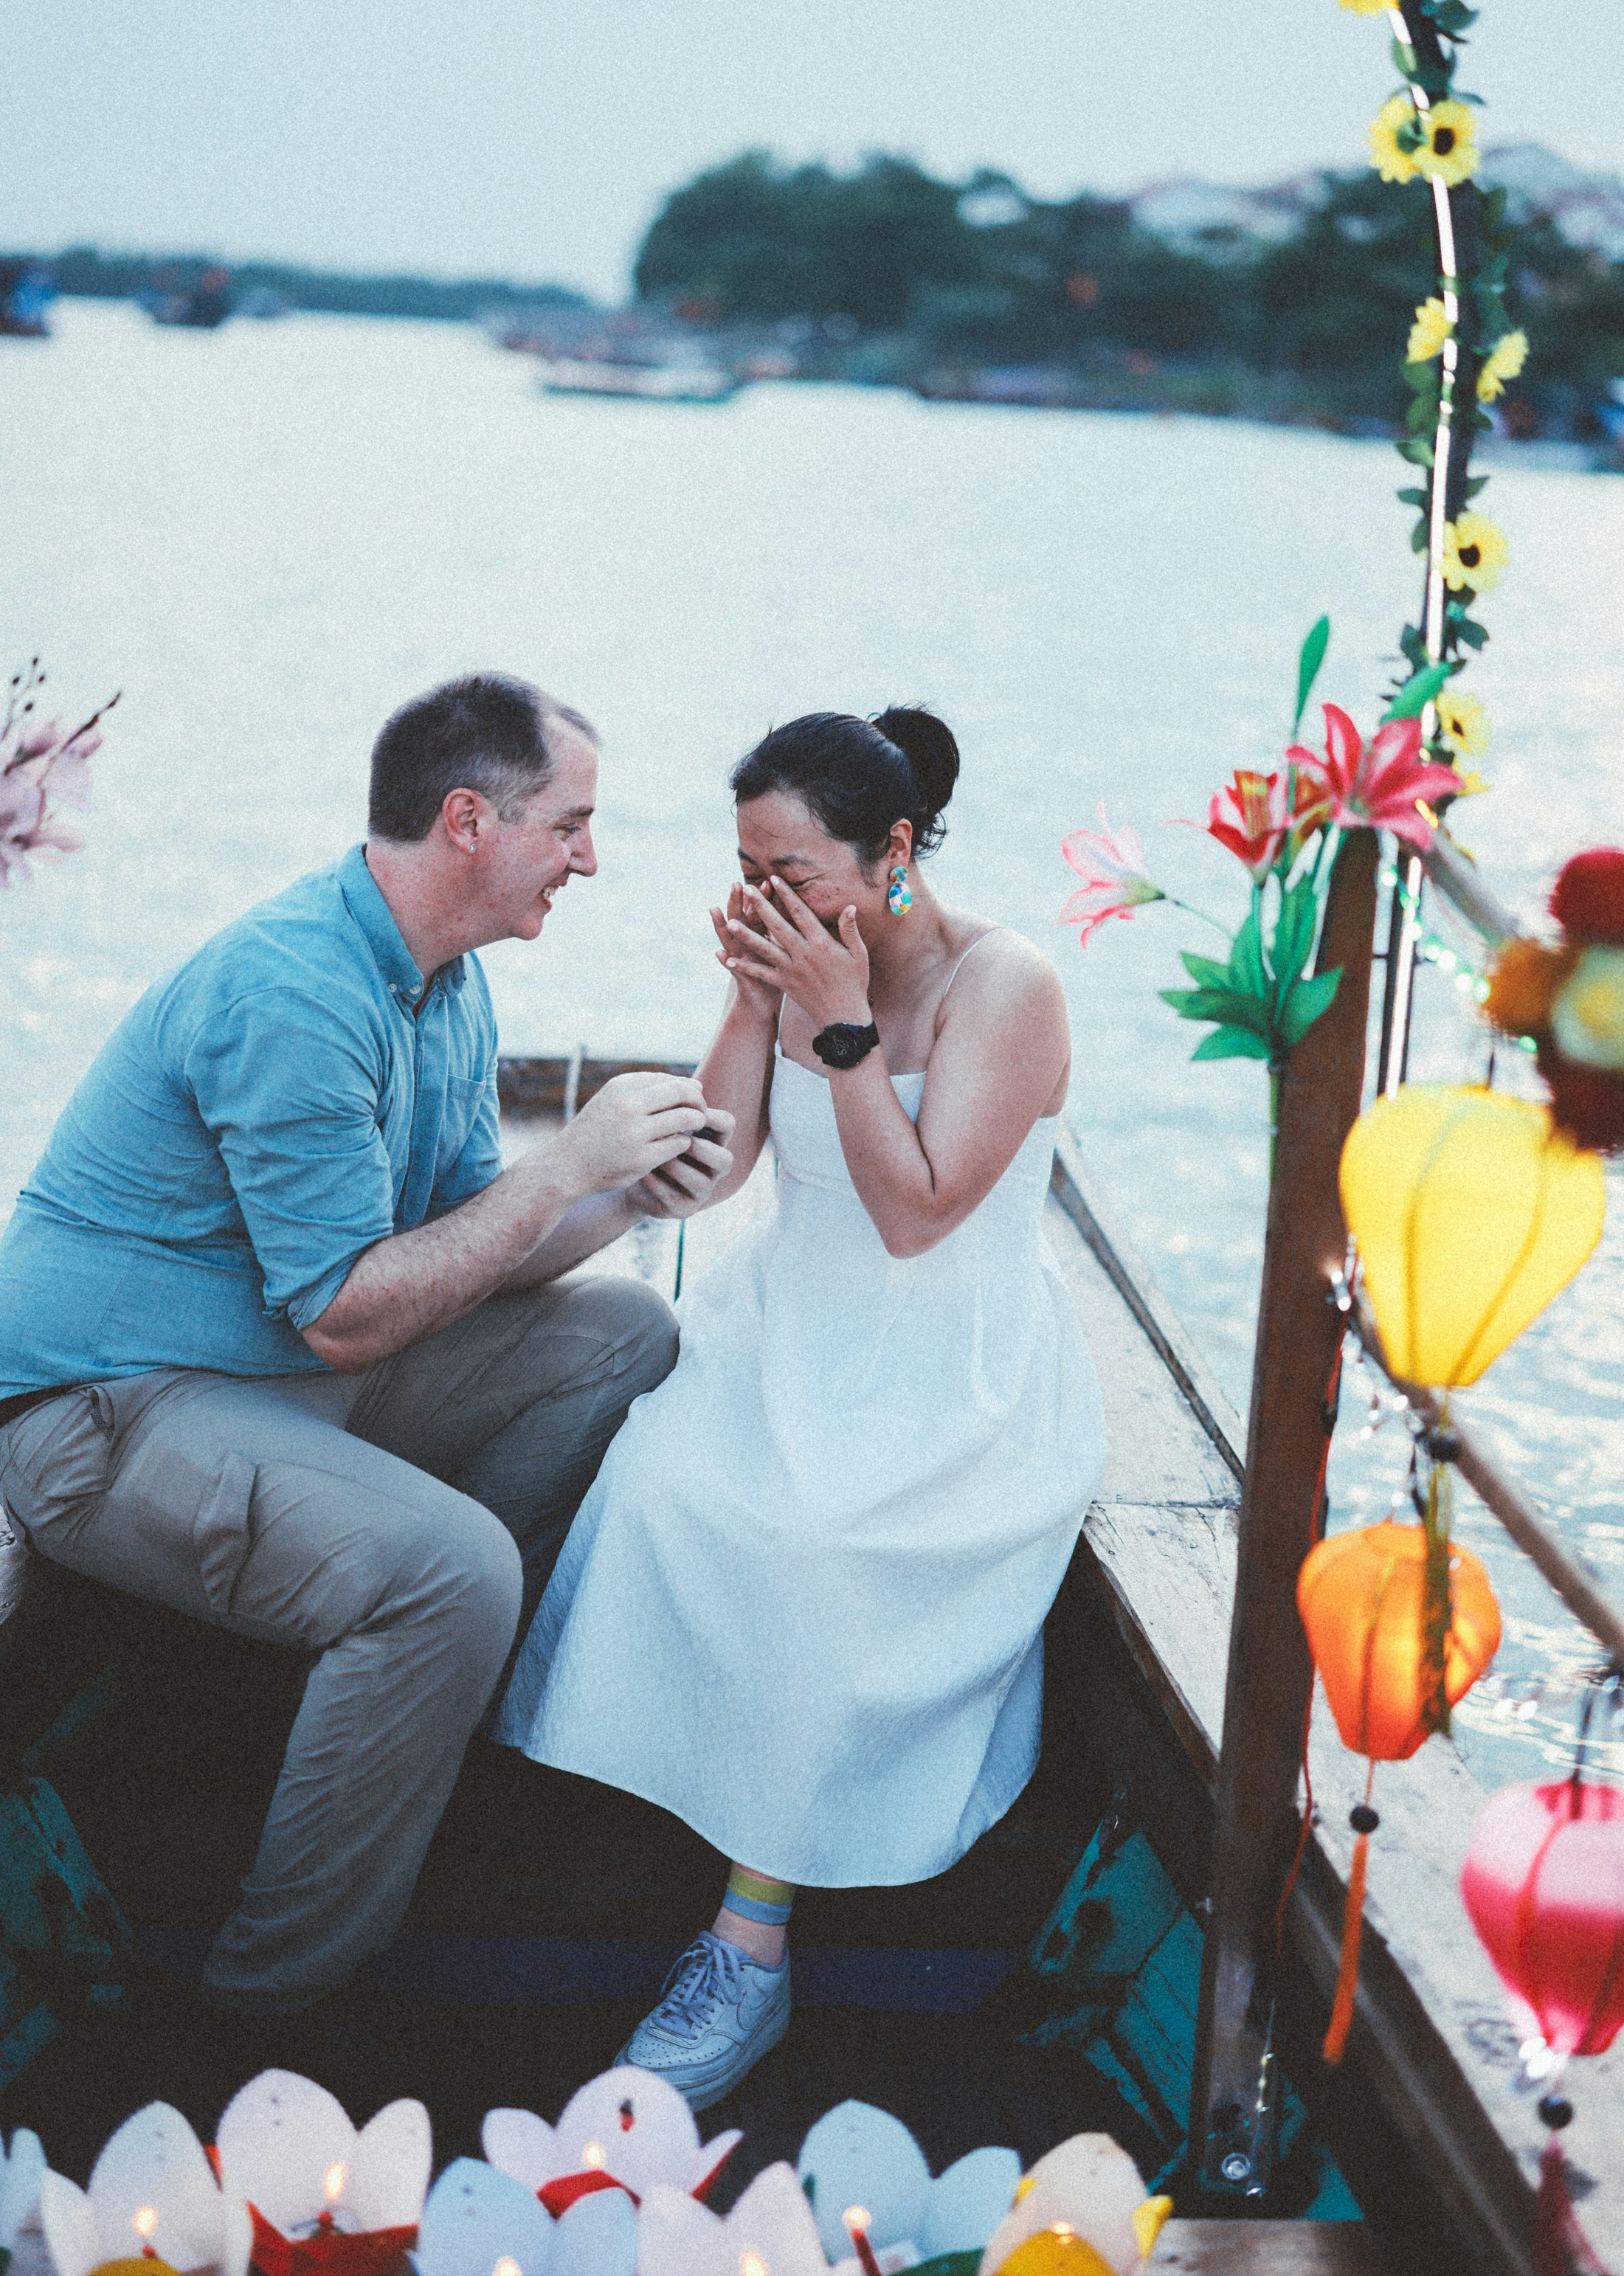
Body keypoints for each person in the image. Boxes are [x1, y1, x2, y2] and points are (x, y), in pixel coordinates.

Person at [0, 673, 734, 2017]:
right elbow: (345, 1315)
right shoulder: (294, 991)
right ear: (469, 821)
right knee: (449, 1573)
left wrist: (625, 1194)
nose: (590, 857)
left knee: (624, 1332)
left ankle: (373, 1702)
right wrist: (563, 1158)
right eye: (570, 824)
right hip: (103, 1410)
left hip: (265, 1385)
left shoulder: (442, 983)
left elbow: (471, 1245)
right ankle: (266, 2006)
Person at [496, 705, 1106, 2105]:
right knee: (654, 1482)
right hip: (787, 1327)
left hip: (948, 1363)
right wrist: (744, 1003)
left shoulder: (1000, 987)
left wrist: (834, 1026)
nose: (771, 896)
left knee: (820, 1555)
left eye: (794, 870)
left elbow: (916, 1216)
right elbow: (710, 1178)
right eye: (748, 868)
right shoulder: (795, 959)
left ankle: (747, 1947)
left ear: (891, 851)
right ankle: (638, 1833)